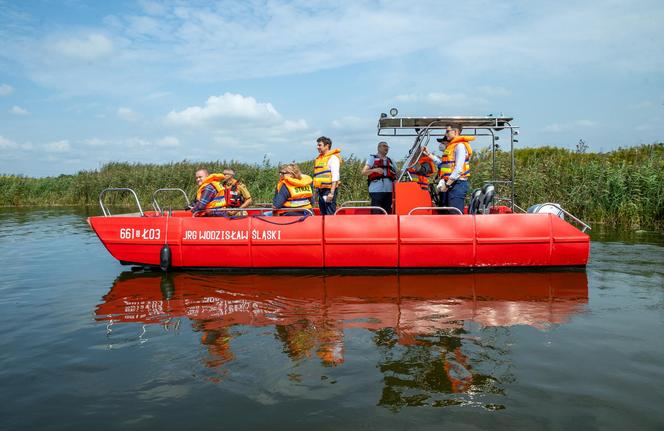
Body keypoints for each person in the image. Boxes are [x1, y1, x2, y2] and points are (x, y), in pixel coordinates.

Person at [424, 124, 474, 214]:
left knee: (455, 214)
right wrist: (428, 154)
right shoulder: (452, 147)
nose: (445, 134)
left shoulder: (460, 146)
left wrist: (446, 185)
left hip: (458, 184)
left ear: (456, 132)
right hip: (451, 184)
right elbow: (443, 164)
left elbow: (458, 169)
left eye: (447, 131)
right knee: (448, 213)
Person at [362, 141, 396, 214]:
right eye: (384, 146)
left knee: (387, 212)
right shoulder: (372, 158)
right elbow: (363, 172)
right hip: (376, 191)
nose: (386, 148)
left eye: (387, 146)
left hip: (389, 191)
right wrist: (375, 170)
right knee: (376, 213)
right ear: (378, 148)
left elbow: (398, 173)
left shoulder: (391, 160)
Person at [313, 136, 342, 215]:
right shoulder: (319, 159)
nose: (317, 147)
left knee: (329, 213)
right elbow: (317, 177)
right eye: (317, 145)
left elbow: (335, 176)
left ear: (327, 146)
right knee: (323, 213)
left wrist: (331, 193)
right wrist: (316, 193)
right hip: (320, 190)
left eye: (320, 145)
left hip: (329, 190)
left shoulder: (333, 158)